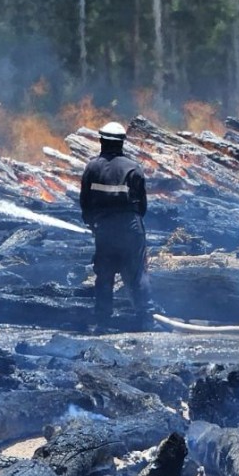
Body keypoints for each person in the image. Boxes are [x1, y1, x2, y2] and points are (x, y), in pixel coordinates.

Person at [80, 121, 155, 330]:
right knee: (138, 274)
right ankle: (146, 320)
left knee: (104, 275)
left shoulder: (92, 168)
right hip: (130, 228)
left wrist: (93, 224)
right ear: (122, 143)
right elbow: (142, 206)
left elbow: (85, 203)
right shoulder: (133, 168)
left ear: (102, 141)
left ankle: (103, 321)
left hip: (104, 230)